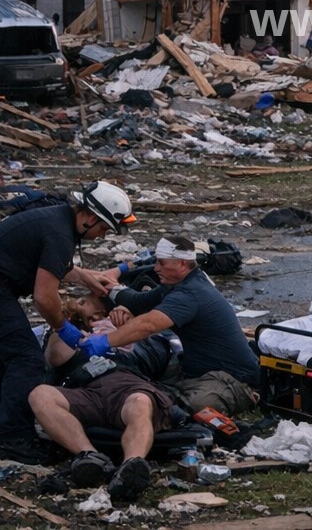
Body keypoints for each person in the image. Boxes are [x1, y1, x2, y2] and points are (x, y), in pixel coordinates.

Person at [0, 181, 135, 462]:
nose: (101, 236)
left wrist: (86, 276)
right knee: (26, 359)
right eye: (103, 229)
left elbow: (54, 263)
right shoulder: (59, 232)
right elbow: (44, 297)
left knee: (10, 353)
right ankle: (14, 440)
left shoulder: (58, 219)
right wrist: (63, 327)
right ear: (88, 218)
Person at [80, 235, 259, 417]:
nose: (156, 268)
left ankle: (247, 397)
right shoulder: (180, 283)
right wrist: (110, 288)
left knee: (180, 410)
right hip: (195, 371)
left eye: (162, 263)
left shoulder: (189, 293)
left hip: (231, 378)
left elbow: (148, 324)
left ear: (181, 263)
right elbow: (139, 301)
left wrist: (104, 341)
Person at [29, 310, 178, 502]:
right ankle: (90, 457)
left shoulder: (139, 340)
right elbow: (55, 356)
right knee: (40, 395)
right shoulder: (66, 338)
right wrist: (65, 328)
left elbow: (158, 353)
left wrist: (124, 329)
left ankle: (131, 466)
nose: (96, 317)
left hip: (125, 385)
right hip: (83, 390)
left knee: (140, 403)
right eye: (87, 309)